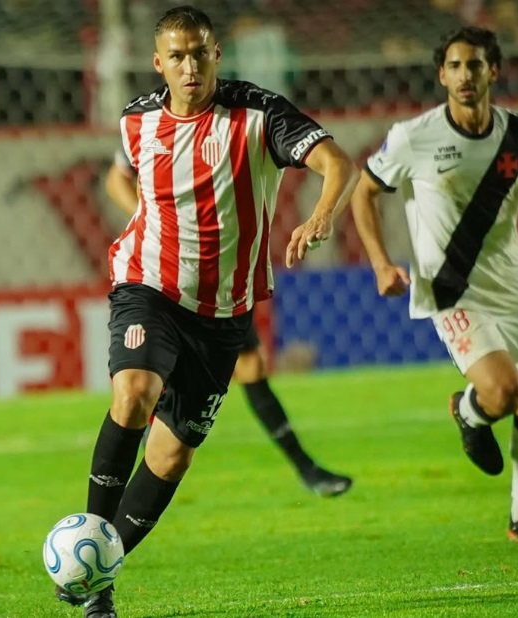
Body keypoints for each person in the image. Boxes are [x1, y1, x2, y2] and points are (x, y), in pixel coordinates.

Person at [58, 6, 357, 617]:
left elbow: (337, 163)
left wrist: (320, 215)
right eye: (177, 55)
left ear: (216, 53)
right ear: (158, 62)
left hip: (223, 311)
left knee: (170, 456)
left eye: (199, 53)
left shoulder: (258, 114)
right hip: (148, 284)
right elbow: (128, 181)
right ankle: (91, 565)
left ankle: (99, 569)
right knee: (133, 391)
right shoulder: (136, 119)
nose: (189, 66)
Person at [349, 26, 518, 543]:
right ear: (441, 75)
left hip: (513, 282)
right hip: (450, 285)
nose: (464, 76)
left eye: (474, 66)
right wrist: (380, 264)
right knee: (502, 391)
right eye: (454, 66)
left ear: (493, 72)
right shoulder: (414, 135)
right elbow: (362, 193)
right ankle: (468, 410)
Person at [105, 147, 353, 498]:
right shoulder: (153, 123)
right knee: (151, 379)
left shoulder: (229, 123)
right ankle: (129, 479)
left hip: (217, 274)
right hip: (165, 275)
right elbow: (117, 178)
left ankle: (305, 467)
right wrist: (151, 221)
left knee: (251, 365)